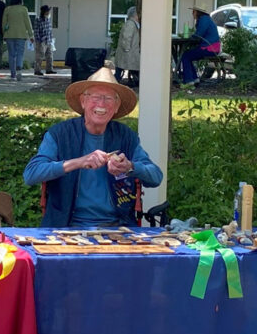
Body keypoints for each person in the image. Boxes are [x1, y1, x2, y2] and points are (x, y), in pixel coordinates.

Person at [23, 67, 163, 228]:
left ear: (117, 106)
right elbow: (31, 174)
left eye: (109, 99)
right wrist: (78, 162)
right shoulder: (60, 134)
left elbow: (156, 177)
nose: (101, 104)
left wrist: (130, 167)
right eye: (95, 97)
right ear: (83, 102)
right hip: (66, 227)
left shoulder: (125, 136)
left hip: (118, 226)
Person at [181, 6, 221, 88]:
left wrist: (190, 37)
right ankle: (194, 79)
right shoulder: (206, 19)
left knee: (186, 56)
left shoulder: (204, 20)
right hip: (212, 47)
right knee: (188, 55)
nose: (192, 14)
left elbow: (198, 35)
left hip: (209, 48)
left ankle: (189, 81)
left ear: (197, 12)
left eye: (193, 12)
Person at [1, 0, 34, 81]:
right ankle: (19, 68)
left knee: (11, 55)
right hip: (21, 35)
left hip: (9, 35)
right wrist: (31, 35)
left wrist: (4, 33)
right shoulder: (24, 9)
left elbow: (4, 23)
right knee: (20, 53)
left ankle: (13, 74)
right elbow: (28, 23)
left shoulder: (7, 9)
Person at [113, 6, 140, 87]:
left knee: (121, 69)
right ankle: (114, 83)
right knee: (123, 69)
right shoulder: (130, 24)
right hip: (128, 53)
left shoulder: (132, 24)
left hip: (128, 52)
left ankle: (115, 83)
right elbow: (126, 37)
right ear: (135, 15)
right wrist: (127, 49)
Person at [33, 4, 55, 75]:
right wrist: (39, 41)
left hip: (49, 41)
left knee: (50, 56)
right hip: (41, 41)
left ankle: (49, 69)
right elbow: (36, 31)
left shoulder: (48, 19)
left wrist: (51, 40)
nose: (48, 13)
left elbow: (50, 30)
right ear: (44, 12)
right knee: (39, 56)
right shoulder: (38, 20)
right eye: (47, 11)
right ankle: (37, 70)